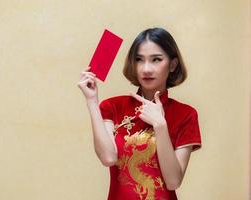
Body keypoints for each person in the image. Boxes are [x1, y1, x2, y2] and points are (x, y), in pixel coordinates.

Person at [78, 27, 202, 200]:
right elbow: (108, 158)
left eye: (156, 60)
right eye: (139, 60)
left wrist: (160, 125)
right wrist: (91, 101)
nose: (146, 69)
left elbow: (173, 181)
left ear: (173, 64)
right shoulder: (113, 107)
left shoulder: (186, 114)